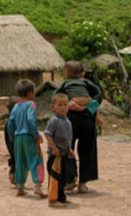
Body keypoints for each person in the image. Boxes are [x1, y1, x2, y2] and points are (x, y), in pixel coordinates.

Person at [55, 60, 102, 194]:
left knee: (66, 146)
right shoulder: (86, 83)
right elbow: (99, 94)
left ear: (67, 72)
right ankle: (82, 183)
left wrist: (68, 104)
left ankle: (70, 178)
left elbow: (55, 96)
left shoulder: (64, 83)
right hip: (87, 117)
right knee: (87, 149)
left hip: (71, 118)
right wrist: (88, 108)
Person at [7, 79, 46, 198]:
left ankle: (20, 187)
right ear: (30, 93)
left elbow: (10, 123)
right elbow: (30, 120)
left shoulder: (16, 106)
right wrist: (36, 135)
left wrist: (12, 137)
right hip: (29, 137)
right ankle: (37, 186)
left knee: (20, 162)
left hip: (18, 138)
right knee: (36, 160)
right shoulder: (30, 104)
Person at [45, 93, 74, 207]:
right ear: (53, 107)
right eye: (59, 105)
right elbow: (47, 134)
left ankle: (61, 197)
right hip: (55, 155)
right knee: (55, 178)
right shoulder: (54, 120)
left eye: (65, 105)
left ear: (68, 106)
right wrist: (54, 148)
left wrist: (70, 149)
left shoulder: (68, 121)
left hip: (64, 154)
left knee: (62, 177)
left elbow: (68, 137)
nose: (62, 107)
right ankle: (52, 200)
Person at [4, 97, 19, 185]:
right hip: (15, 143)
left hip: (10, 144)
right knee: (19, 159)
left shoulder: (8, 120)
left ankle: (12, 174)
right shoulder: (14, 121)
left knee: (14, 158)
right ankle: (16, 177)